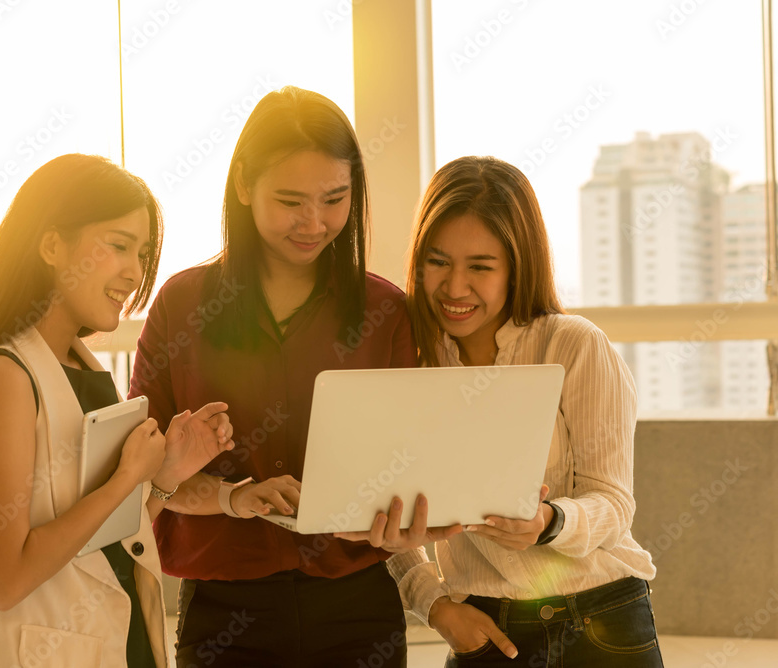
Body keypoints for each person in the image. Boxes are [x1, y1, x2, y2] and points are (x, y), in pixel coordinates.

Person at [127, 86, 418, 667]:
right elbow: (142, 477)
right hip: (225, 612)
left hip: (357, 607)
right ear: (242, 185)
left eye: (335, 199)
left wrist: (398, 519)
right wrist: (233, 498)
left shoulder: (387, 312)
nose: (314, 222)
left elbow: (410, 464)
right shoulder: (182, 307)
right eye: (291, 201)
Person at [337, 156, 663, 667]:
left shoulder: (573, 346)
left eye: (481, 267)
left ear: (518, 266)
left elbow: (614, 502)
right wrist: (436, 604)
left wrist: (550, 522)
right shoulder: (413, 363)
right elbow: (388, 512)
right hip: (483, 630)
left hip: (601, 623)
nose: (455, 287)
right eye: (438, 261)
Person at [0, 154, 234, 668]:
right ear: (52, 245)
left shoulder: (82, 369)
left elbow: (99, 544)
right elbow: (4, 580)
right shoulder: (6, 377)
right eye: (118, 245)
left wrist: (161, 479)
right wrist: (125, 480)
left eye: (141, 253)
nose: (134, 271)